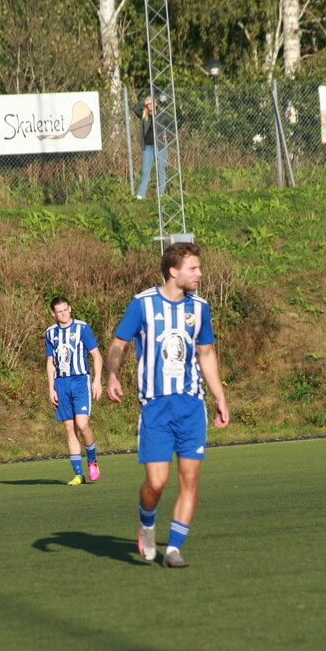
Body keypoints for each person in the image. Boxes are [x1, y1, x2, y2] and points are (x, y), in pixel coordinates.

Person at [106, 241, 229, 568]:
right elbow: (118, 343)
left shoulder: (199, 308)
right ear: (173, 271)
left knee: (190, 480)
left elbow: (206, 354)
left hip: (191, 406)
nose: (200, 274)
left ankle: (173, 549)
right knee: (157, 483)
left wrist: (219, 395)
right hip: (156, 407)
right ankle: (147, 523)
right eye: (193, 268)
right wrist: (112, 375)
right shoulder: (142, 304)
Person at [45, 296, 102, 485]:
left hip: (79, 381)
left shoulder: (81, 328)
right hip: (61, 383)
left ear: (69, 308)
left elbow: (96, 354)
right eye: (59, 311)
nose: (63, 314)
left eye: (65, 310)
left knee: (82, 425)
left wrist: (97, 380)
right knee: (69, 429)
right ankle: (78, 475)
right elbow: (50, 362)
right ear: (53, 313)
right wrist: (51, 388)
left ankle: (92, 460)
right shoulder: (50, 333)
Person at [133, 95, 171, 199]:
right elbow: (135, 109)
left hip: (159, 146)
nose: (150, 105)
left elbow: (172, 123)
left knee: (160, 168)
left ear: (155, 104)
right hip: (147, 147)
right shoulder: (144, 115)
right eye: (148, 104)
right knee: (145, 171)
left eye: (152, 103)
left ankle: (161, 192)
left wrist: (167, 134)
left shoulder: (161, 115)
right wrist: (145, 103)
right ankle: (141, 194)